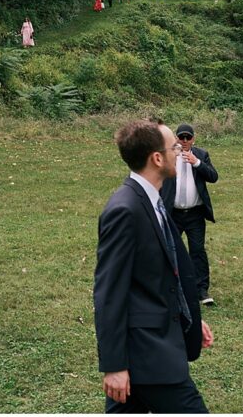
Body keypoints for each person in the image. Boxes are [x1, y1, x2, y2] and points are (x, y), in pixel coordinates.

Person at [94, 118, 215, 413]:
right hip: (149, 353)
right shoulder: (125, 210)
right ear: (157, 158)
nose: (179, 151)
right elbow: (109, 291)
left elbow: (159, 274)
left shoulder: (154, 200)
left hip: (156, 345)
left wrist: (187, 317)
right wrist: (114, 366)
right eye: (174, 146)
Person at [160, 123, 220, 305]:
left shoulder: (201, 155)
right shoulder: (169, 155)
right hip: (173, 214)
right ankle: (169, 288)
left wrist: (197, 163)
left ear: (193, 139)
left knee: (197, 251)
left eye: (188, 137)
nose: (184, 141)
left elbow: (213, 176)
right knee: (169, 250)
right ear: (176, 138)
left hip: (195, 214)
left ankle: (201, 290)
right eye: (181, 137)